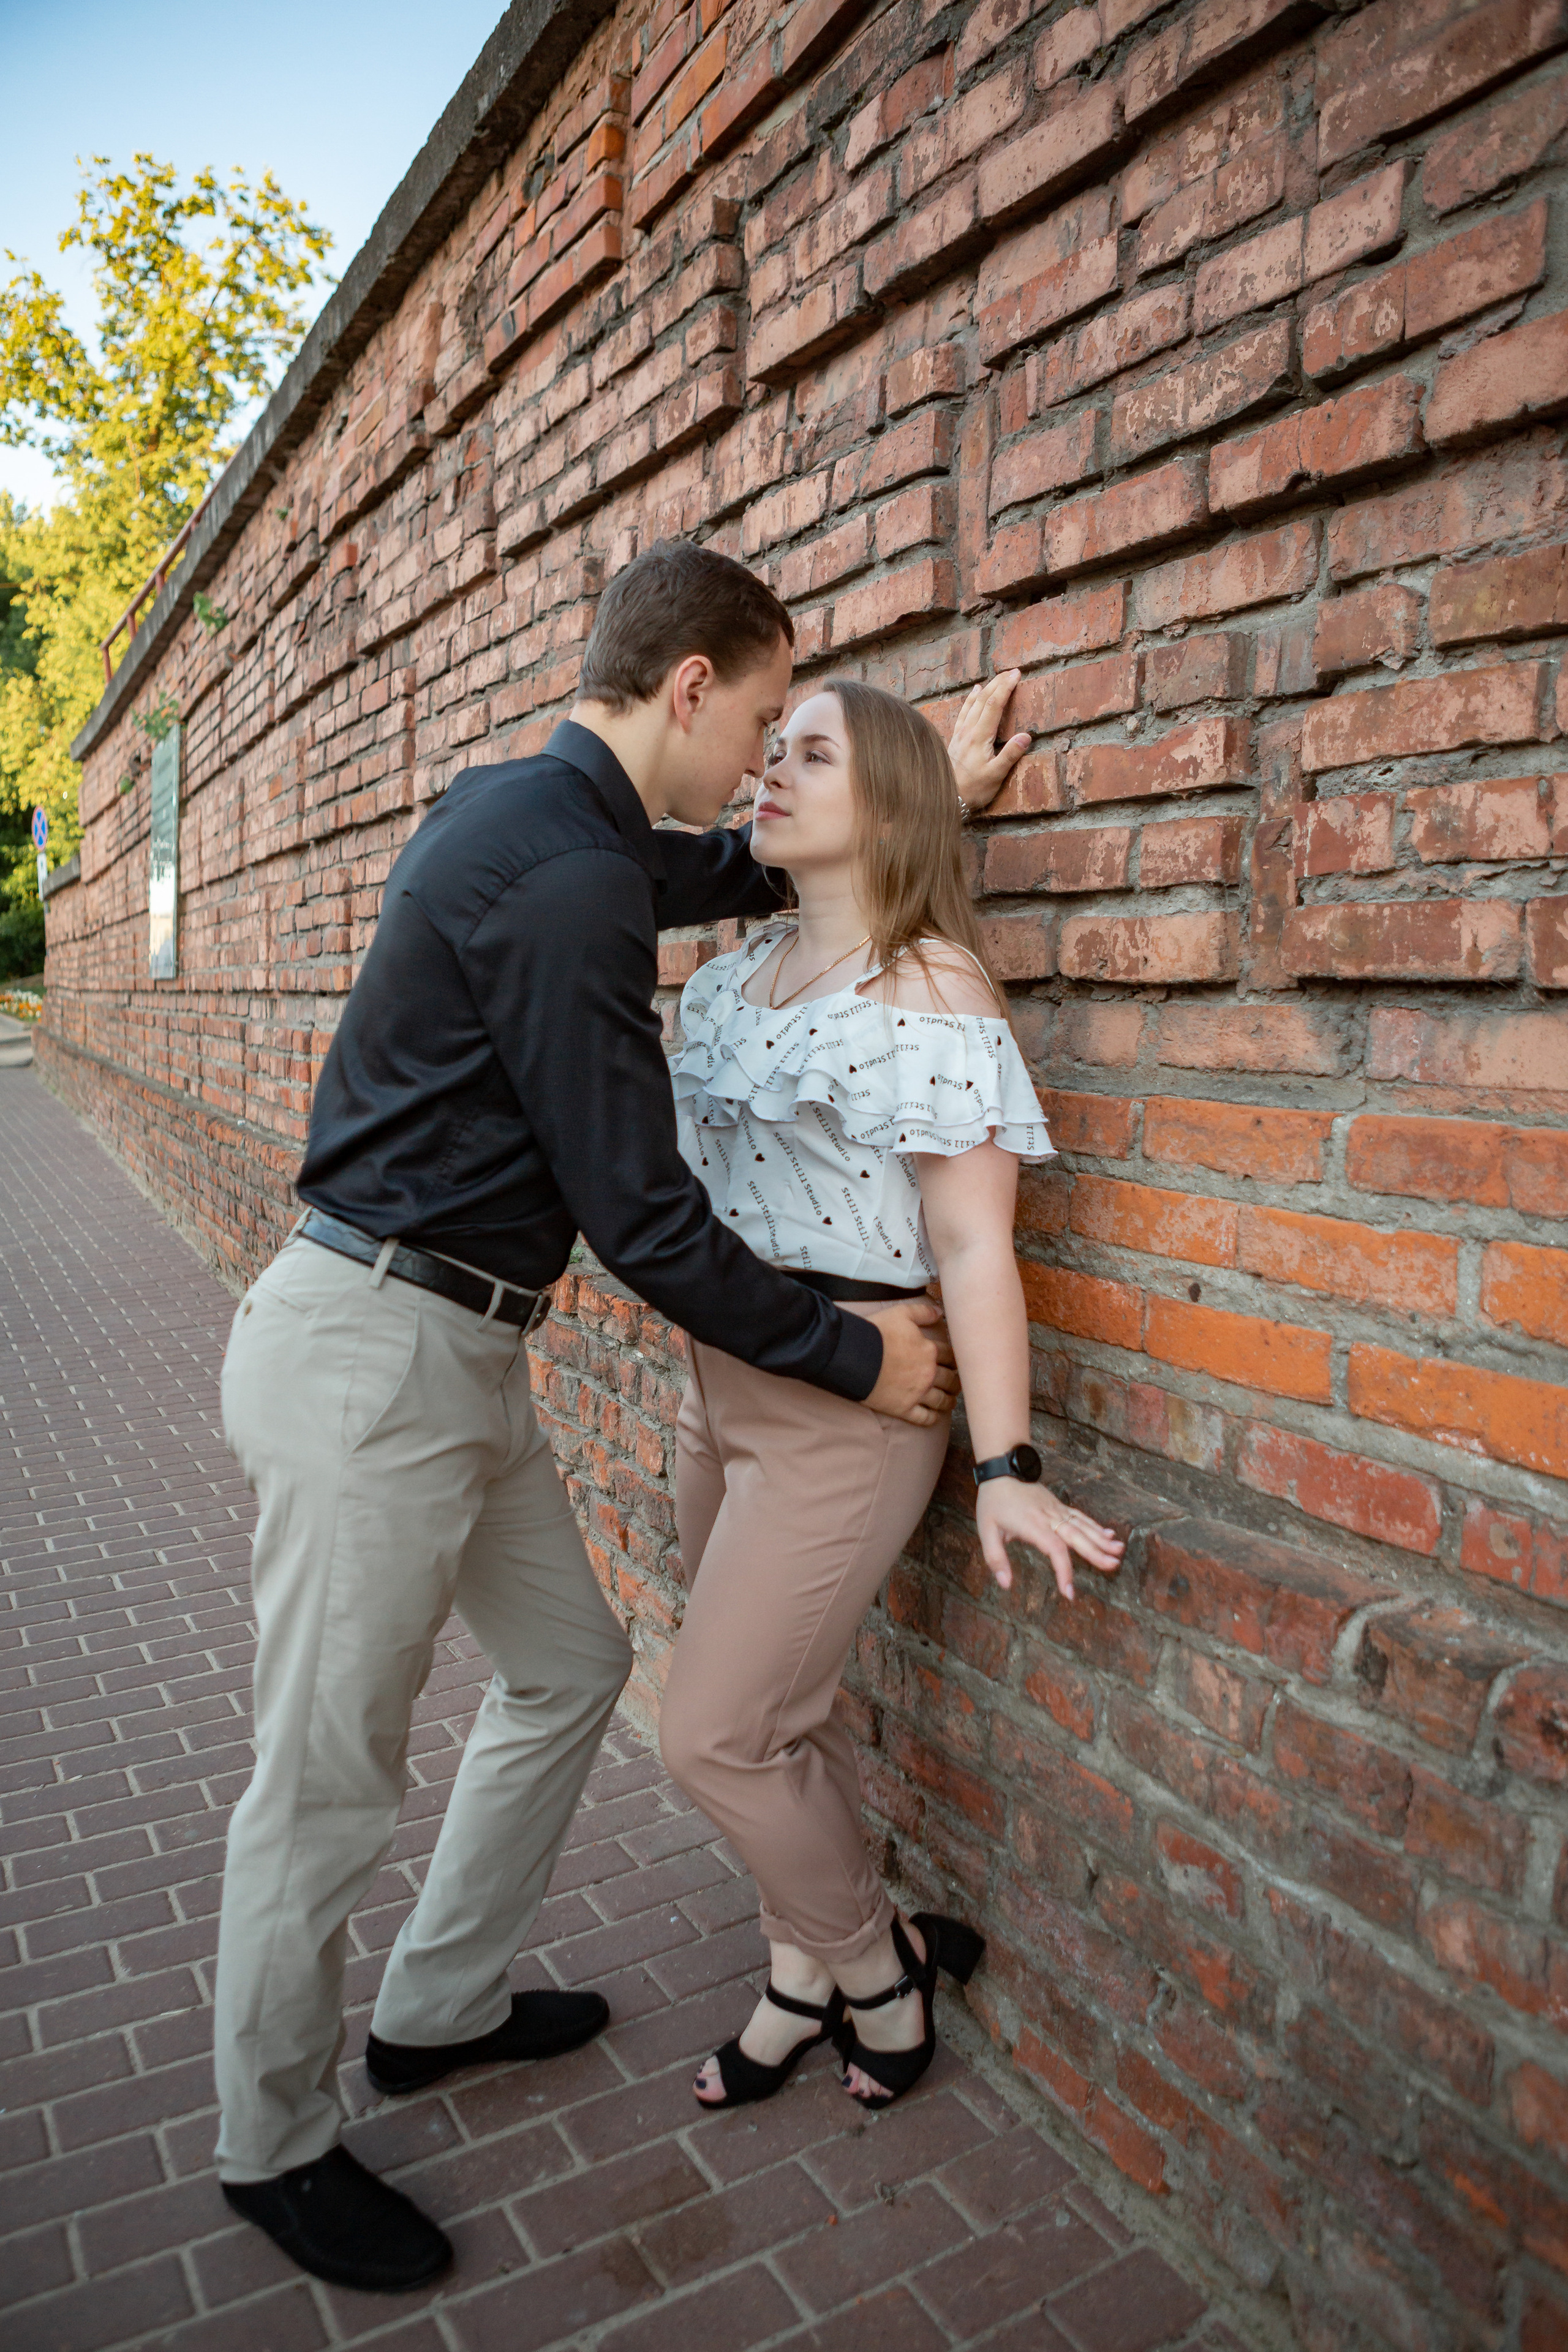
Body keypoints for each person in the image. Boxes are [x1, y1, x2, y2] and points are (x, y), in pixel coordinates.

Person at [213, 540, 1031, 2294]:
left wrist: (917, 801)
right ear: (690, 688)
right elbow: (645, 1219)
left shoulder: (538, 818)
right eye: (760, 712)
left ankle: (439, 2004)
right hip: (375, 1356)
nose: (757, 758)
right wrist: (853, 1359)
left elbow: (703, 867)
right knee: (327, 1774)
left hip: (450, 1344)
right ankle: (268, 2140)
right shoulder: (569, 877)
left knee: (574, 1663)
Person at [657, 677, 1126, 2113]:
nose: (769, 773)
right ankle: (803, 1968)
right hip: (715, 1389)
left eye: (813, 756)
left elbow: (979, 1245)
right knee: (777, 1717)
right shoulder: (731, 975)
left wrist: (1008, 1466)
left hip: (851, 1407)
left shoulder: (929, 990)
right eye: (772, 746)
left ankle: (876, 1963)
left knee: (709, 1732)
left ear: (891, 805)